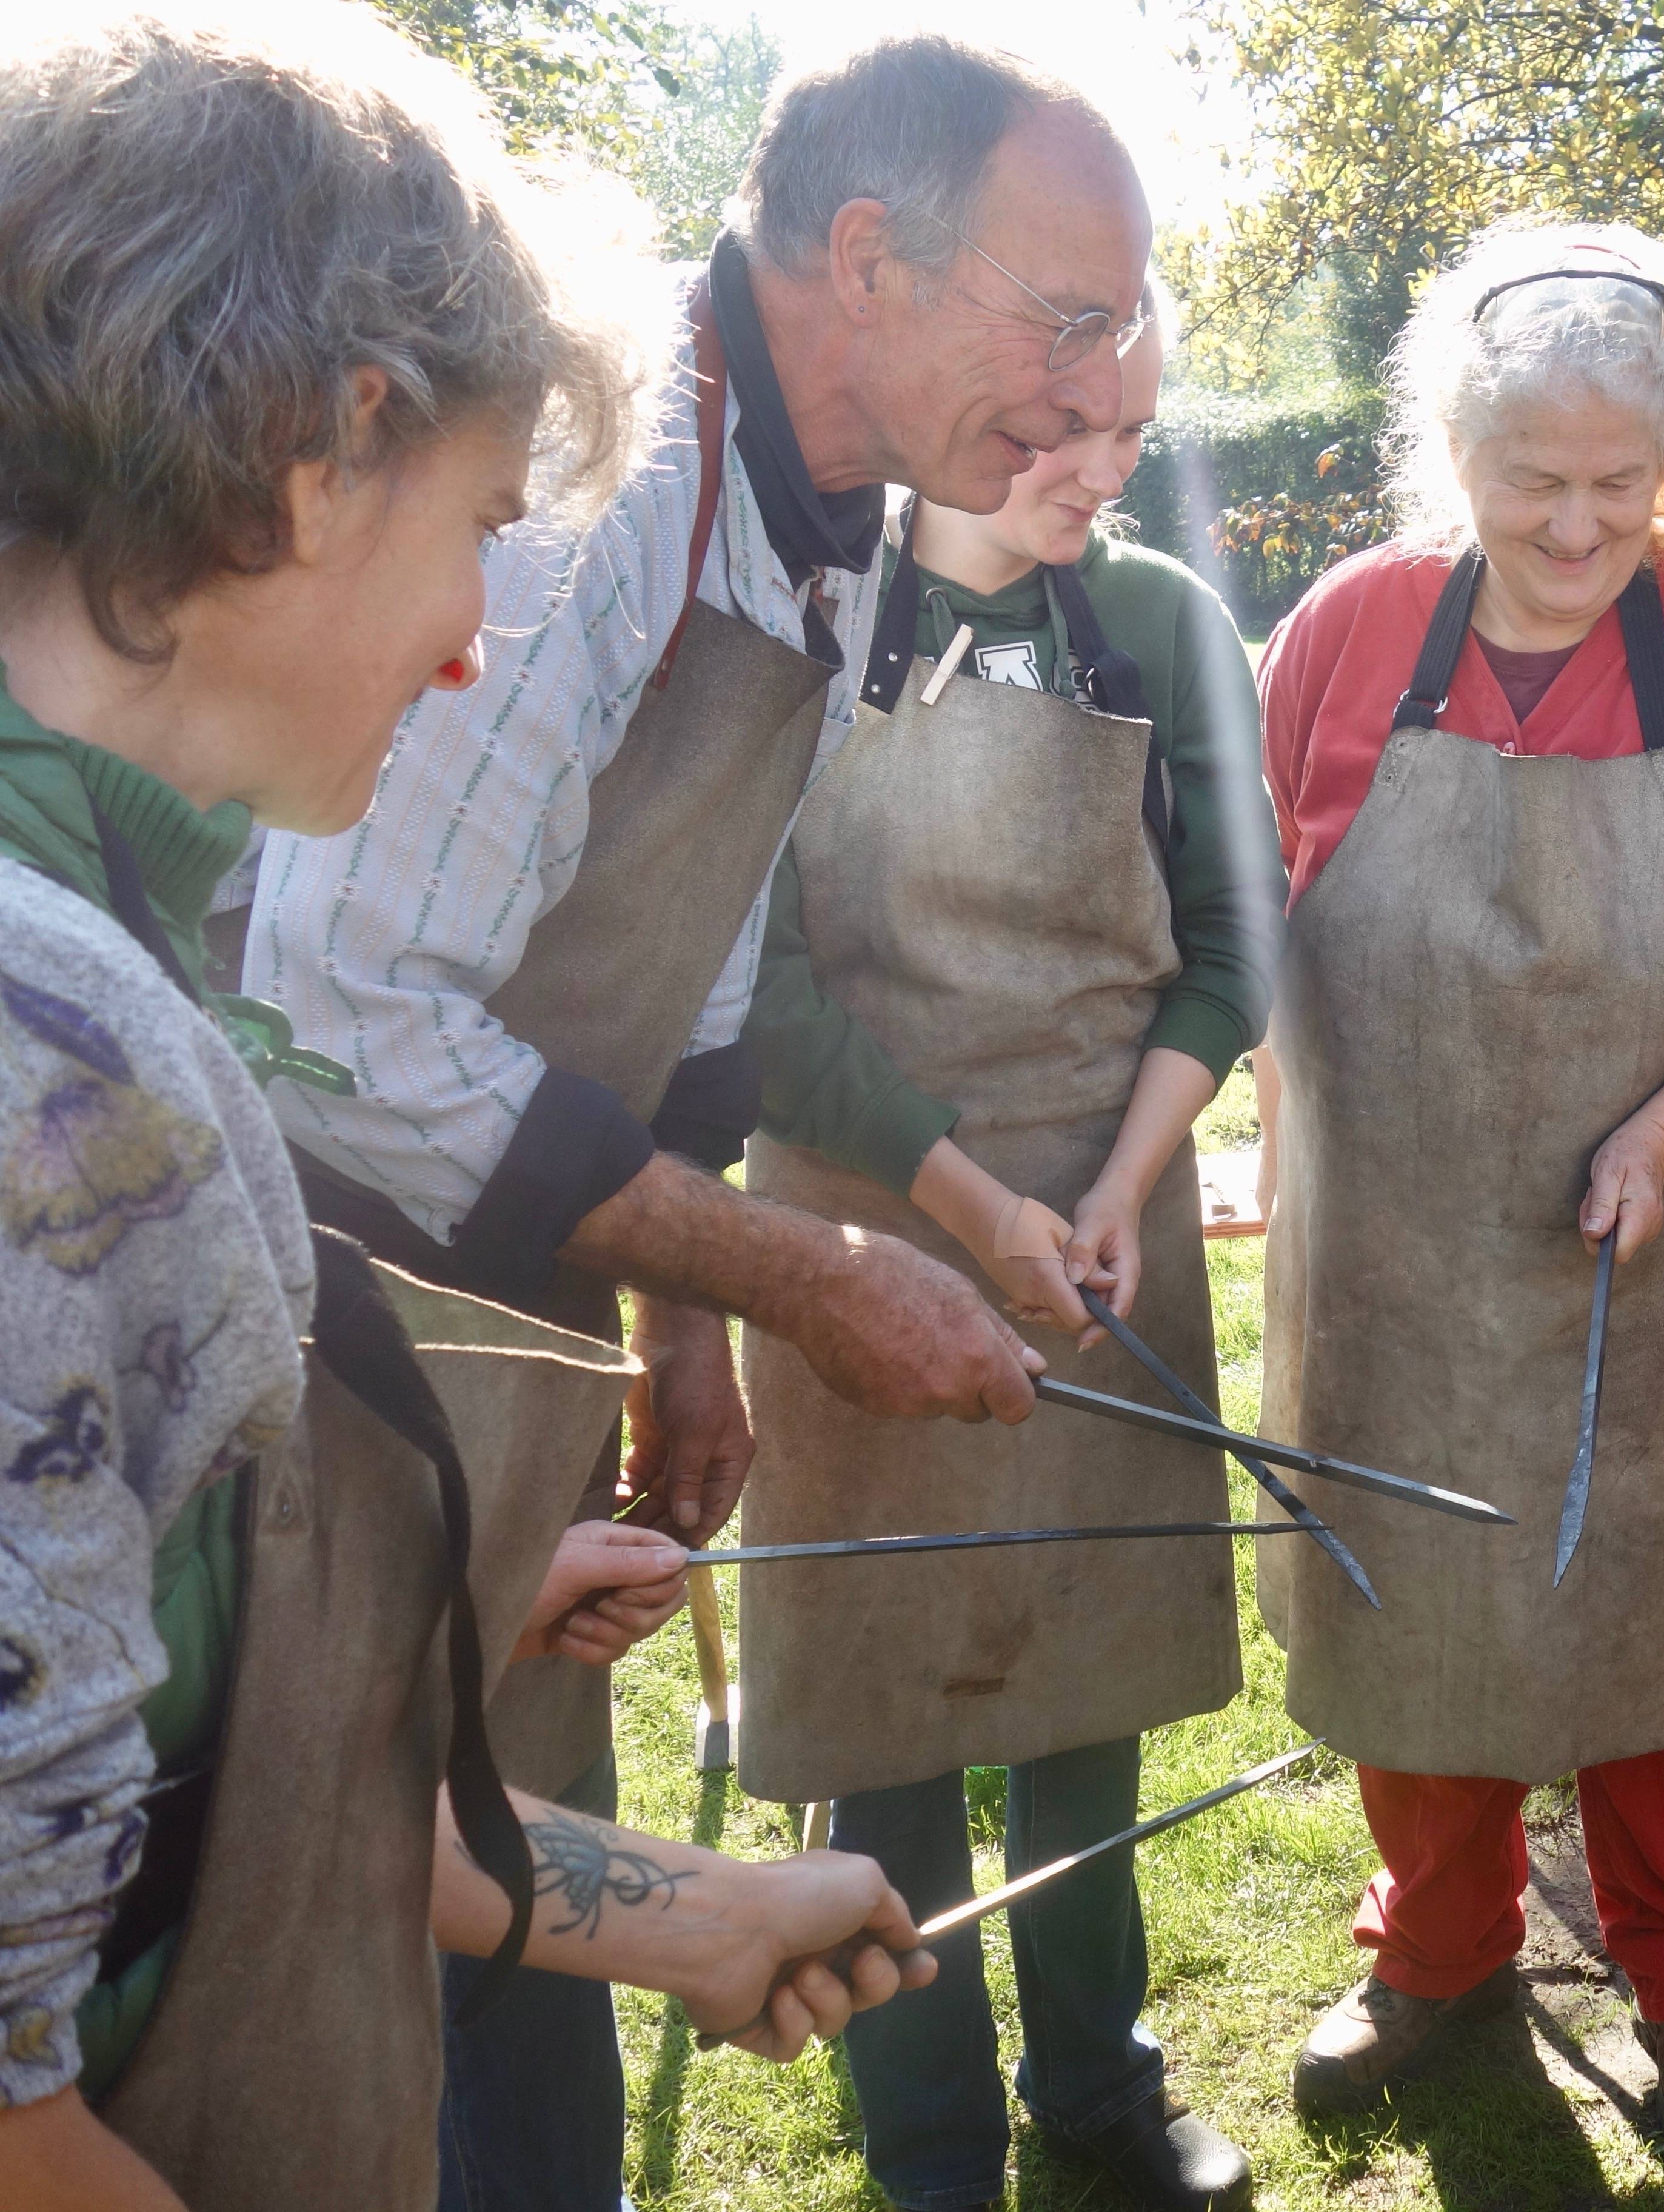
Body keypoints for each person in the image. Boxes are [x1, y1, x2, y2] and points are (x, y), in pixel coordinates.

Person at [0, 12, 929, 2207]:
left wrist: (682, 1902)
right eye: (477, 530)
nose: (463, 651)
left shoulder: (112, 966)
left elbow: (137, 1773)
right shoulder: (71, 1087)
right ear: (328, 454)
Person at [241, 33, 1155, 2208]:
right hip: (308, 1340)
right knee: (323, 1934)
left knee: (513, 1879)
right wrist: (797, 1265)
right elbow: (338, 1012)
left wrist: (682, 1317)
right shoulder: (590, 489)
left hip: (519, 1340)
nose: (1096, 374)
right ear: (865, 255)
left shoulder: (826, 516)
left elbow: (710, 933)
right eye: (1066, 312)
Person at [1254, 220, 1664, 2153]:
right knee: (1420, 1612)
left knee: (1659, 1629)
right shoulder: (1355, 630)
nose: (1577, 524)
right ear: (1457, 456)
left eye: (1626, 485)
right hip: (1401, 1262)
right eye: (1536, 480)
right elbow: (1252, 921)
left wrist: (1658, 1131)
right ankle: (1434, 1952)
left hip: (1663, 1251)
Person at [729, 286, 1278, 2211]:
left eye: (1134, 440)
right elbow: (764, 987)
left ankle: (1101, 2094)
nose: (1101, 477)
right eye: (1067, 436)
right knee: (884, 1711)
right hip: (852, 1225)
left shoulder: (1157, 623)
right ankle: (931, 2139)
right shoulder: (812, 607)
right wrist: (964, 1211)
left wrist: (1124, 1188)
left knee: (1089, 1686)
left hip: (1105, 1216)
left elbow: (1232, 944)